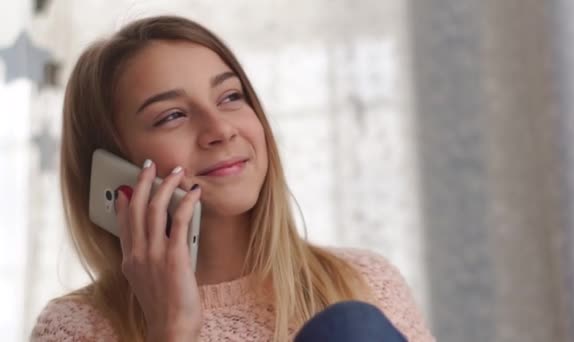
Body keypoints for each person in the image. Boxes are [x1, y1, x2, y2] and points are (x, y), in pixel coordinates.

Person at [30, 15, 435, 342]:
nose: (220, 129)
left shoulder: (365, 282)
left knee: (349, 329)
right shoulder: (77, 329)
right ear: (116, 171)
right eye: (172, 116)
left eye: (230, 98)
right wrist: (171, 330)